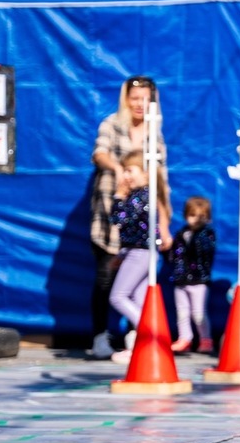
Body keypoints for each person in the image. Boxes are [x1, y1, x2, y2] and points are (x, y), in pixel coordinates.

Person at [90, 76, 167, 357]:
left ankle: (139, 337)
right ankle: (100, 335)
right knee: (105, 279)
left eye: (145, 99)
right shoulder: (112, 124)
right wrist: (119, 170)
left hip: (142, 229)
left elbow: (161, 184)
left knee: (138, 286)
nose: (139, 104)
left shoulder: (155, 134)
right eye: (134, 98)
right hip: (112, 216)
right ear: (126, 100)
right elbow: (99, 154)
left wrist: (164, 226)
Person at [107, 151, 172, 364]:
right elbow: (134, 230)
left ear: (146, 174)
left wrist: (118, 196)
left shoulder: (139, 196)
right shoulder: (145, 195)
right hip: (142, 252)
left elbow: (119, 220)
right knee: (139, 300)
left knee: (118, 296)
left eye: (129, 170)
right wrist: (123, 253)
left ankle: (149, 333)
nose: (125, 176)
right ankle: (142, 347)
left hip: (140, 253)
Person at [167, 196, 216, 354]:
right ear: (186, 215)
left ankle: (206, 339)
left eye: (202, 216)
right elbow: (174, 254)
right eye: (193, 215)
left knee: (198, 313)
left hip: (199, 281)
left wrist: (197, 235)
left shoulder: (207, 234)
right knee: (182, 312)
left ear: (208, 218)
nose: (196, 219)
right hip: (181, 280)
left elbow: (205, 250)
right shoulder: (181, 234)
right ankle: (185, 338)